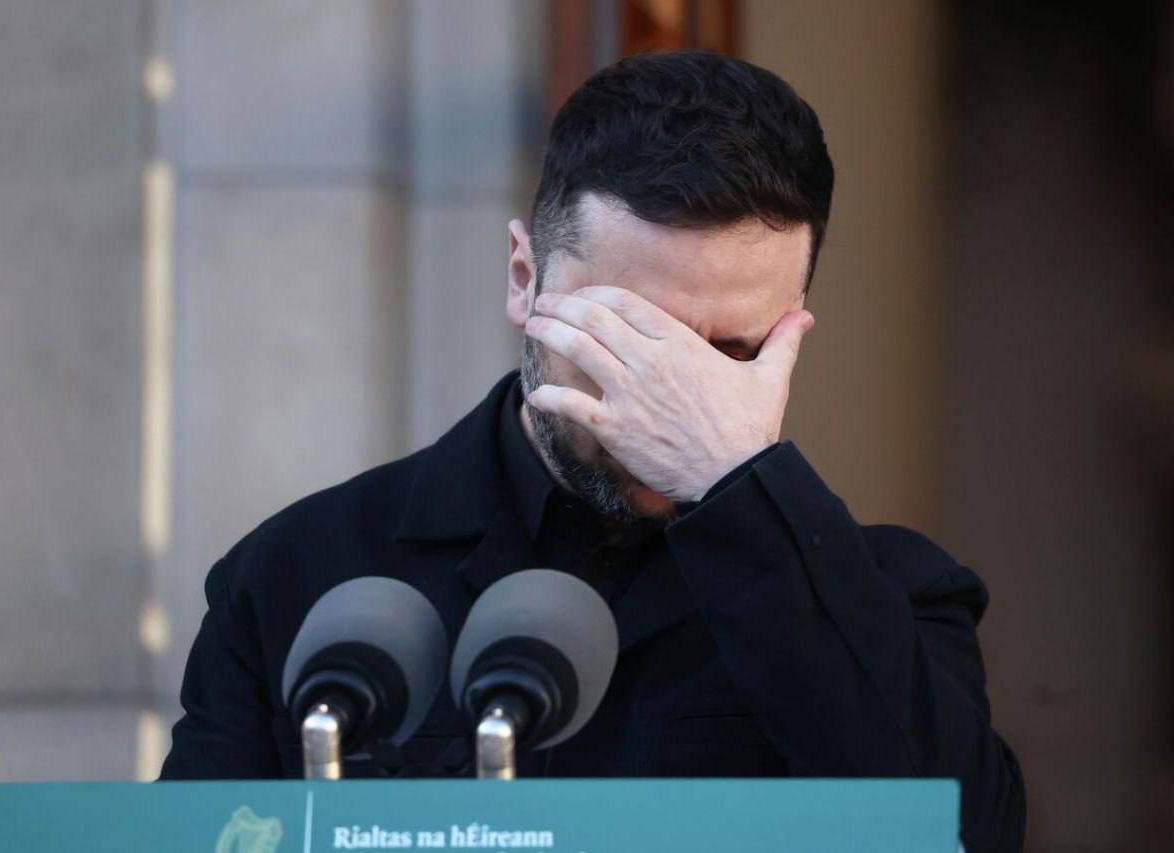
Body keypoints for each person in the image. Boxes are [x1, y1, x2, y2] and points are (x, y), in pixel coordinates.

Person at [161, 50, 1025, 852]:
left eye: (731, 352)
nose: (668, 391)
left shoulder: (891, 594)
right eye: (626, 335)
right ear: (524, 278)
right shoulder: (303, 575)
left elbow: (960, 835)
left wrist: (738, 488)